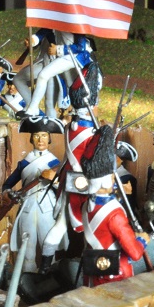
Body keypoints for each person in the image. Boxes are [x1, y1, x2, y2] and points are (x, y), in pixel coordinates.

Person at [40, 62, 102, 273]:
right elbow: (91, 160)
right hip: (82, 184)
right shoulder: (90, 132)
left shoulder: (71, 126)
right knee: (92, 228)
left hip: (68, 180)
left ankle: (45, 267)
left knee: (59, 226)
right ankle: (92, 272)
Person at [80, 124, 148, 287]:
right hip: (116, 276)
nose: (113, 178)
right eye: (111, 176)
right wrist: (143, 240)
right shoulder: (115, 214)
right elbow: (135, 253)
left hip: (92, 272)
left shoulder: (87, 204)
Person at [1, 116, 64, 273]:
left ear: (49, 138)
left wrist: (54, 181)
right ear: (31, 139)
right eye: (36, 136)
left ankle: (49, 280)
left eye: (44, 135)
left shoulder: (56, 163)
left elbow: (64, 189)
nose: (40, 139)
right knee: (27, 251)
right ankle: (26, 280)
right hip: (27, 209)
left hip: (48, 210)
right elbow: (7, 185)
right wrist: (8, 193)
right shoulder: (24, 163)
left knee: (49, 248)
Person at [21, 29, 94, 118]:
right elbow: (45, 30)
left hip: (75, 58)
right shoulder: (55, 18)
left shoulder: (76, 24)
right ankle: (33, 109)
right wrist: (34, 39)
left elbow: (80, 47)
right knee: (44, 78)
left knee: (79, 91)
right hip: (59, 58)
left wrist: (58, 49)